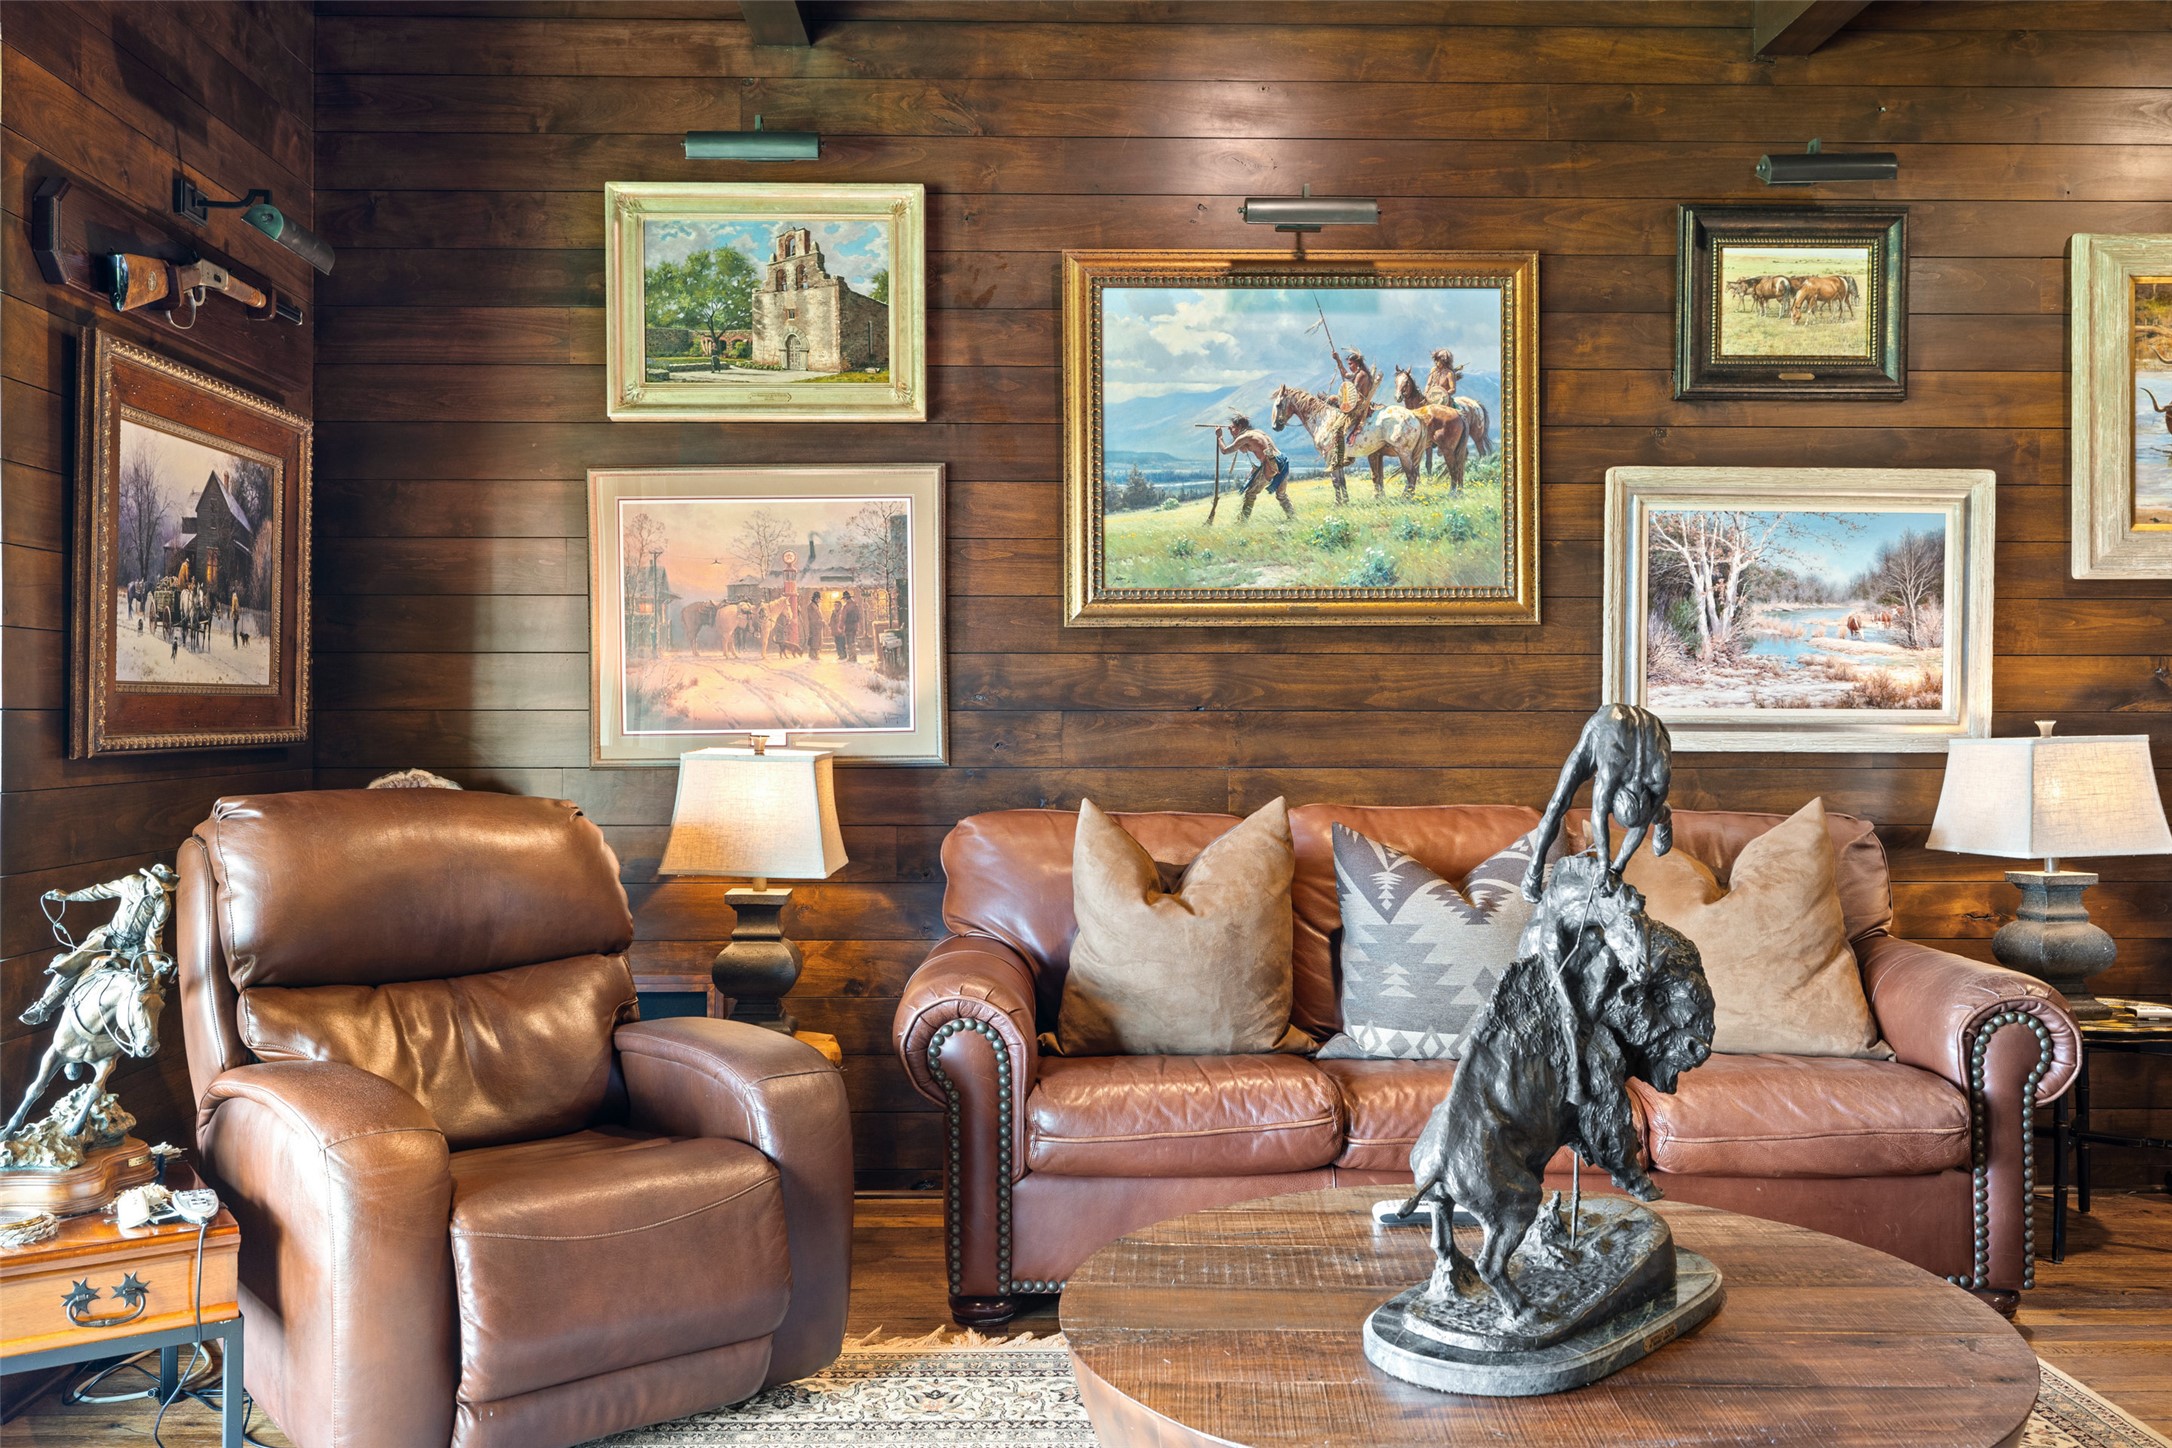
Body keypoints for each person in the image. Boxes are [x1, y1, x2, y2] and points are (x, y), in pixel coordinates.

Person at [21, 865, 178, 1026]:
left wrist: (155, 960)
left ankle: (139, 1032)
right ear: (150, 879)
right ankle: (43, 1007)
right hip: (110, 936)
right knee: (71, 965)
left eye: (163, 889)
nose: (159, 891)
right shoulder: (130, 883)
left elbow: (154, 934)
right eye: (158, 887)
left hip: (136, 946)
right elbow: (99, 891)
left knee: (149, 986)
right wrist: (68, 897)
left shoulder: (163, 903)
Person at [1215, 413, 1294, 521]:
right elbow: (1244, 449)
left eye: (1233, 428)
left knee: (1251, 493)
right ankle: (1293, 518)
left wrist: (1220, 437)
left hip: (1271, 463)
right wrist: (1234, 433)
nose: (1231, 430)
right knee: (1281, 495)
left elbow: (1225, 450)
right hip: (1283, 461)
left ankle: (1242, 522)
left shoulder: (1245, 437)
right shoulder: (1257, 432)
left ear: (1239, 427)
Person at [1325, 347, 1377, 469]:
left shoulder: (1361, 376)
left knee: (1337, 429)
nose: (1349, 366)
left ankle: (1339, 460)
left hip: (1358, 408)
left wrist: (1338, 401)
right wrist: (1338, 360)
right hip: (1355, 405)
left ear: (1357, 363)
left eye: (1350, 364)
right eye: (1348, 364)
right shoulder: (1358, 373)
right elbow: (1345, 374)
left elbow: (1352, 394)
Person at [841, 590, 864, 663]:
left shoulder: (846, 607)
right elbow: (859, 616)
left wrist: (841, 626)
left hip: (848, 626)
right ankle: (853, 657)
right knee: (853, 641)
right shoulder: (855, 605)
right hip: (854, 626)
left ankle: (851, 657)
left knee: (849, 642)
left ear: (845, 598)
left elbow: (843, 617)